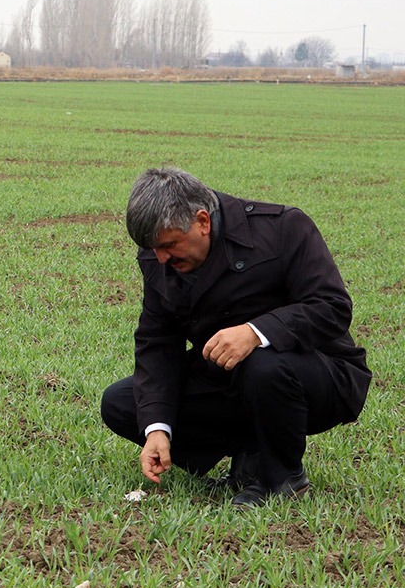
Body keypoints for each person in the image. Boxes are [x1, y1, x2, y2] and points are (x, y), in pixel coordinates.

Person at [100, 167, 371, 508]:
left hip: (321, 374)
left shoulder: (284, 227)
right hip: (229, 379)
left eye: (168, 245)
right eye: (152, 249)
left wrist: (257, 332)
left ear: (203, 221)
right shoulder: (160, 257)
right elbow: (158, 340)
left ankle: (283, 476)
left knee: (263, 363)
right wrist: (158, 427)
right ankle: (252, 449)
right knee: (122, 403)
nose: (161, 259)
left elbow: (333, 308)